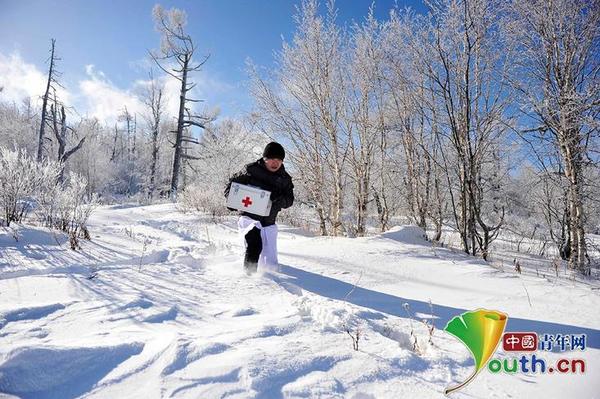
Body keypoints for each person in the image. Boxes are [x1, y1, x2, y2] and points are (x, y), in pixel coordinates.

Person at [224, 142, 294, 274]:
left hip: (268, 222)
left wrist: (279, 199)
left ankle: (270, 279)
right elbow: (232, 187)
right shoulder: (250, 170)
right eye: (272, 159)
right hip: (249, 218)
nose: (275, 163)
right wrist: (231, 200)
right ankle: (249, 276)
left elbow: (290, 200)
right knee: (255, 244)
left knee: (269, 262)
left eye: (279, 160)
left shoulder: (285, 179)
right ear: (265, 159)